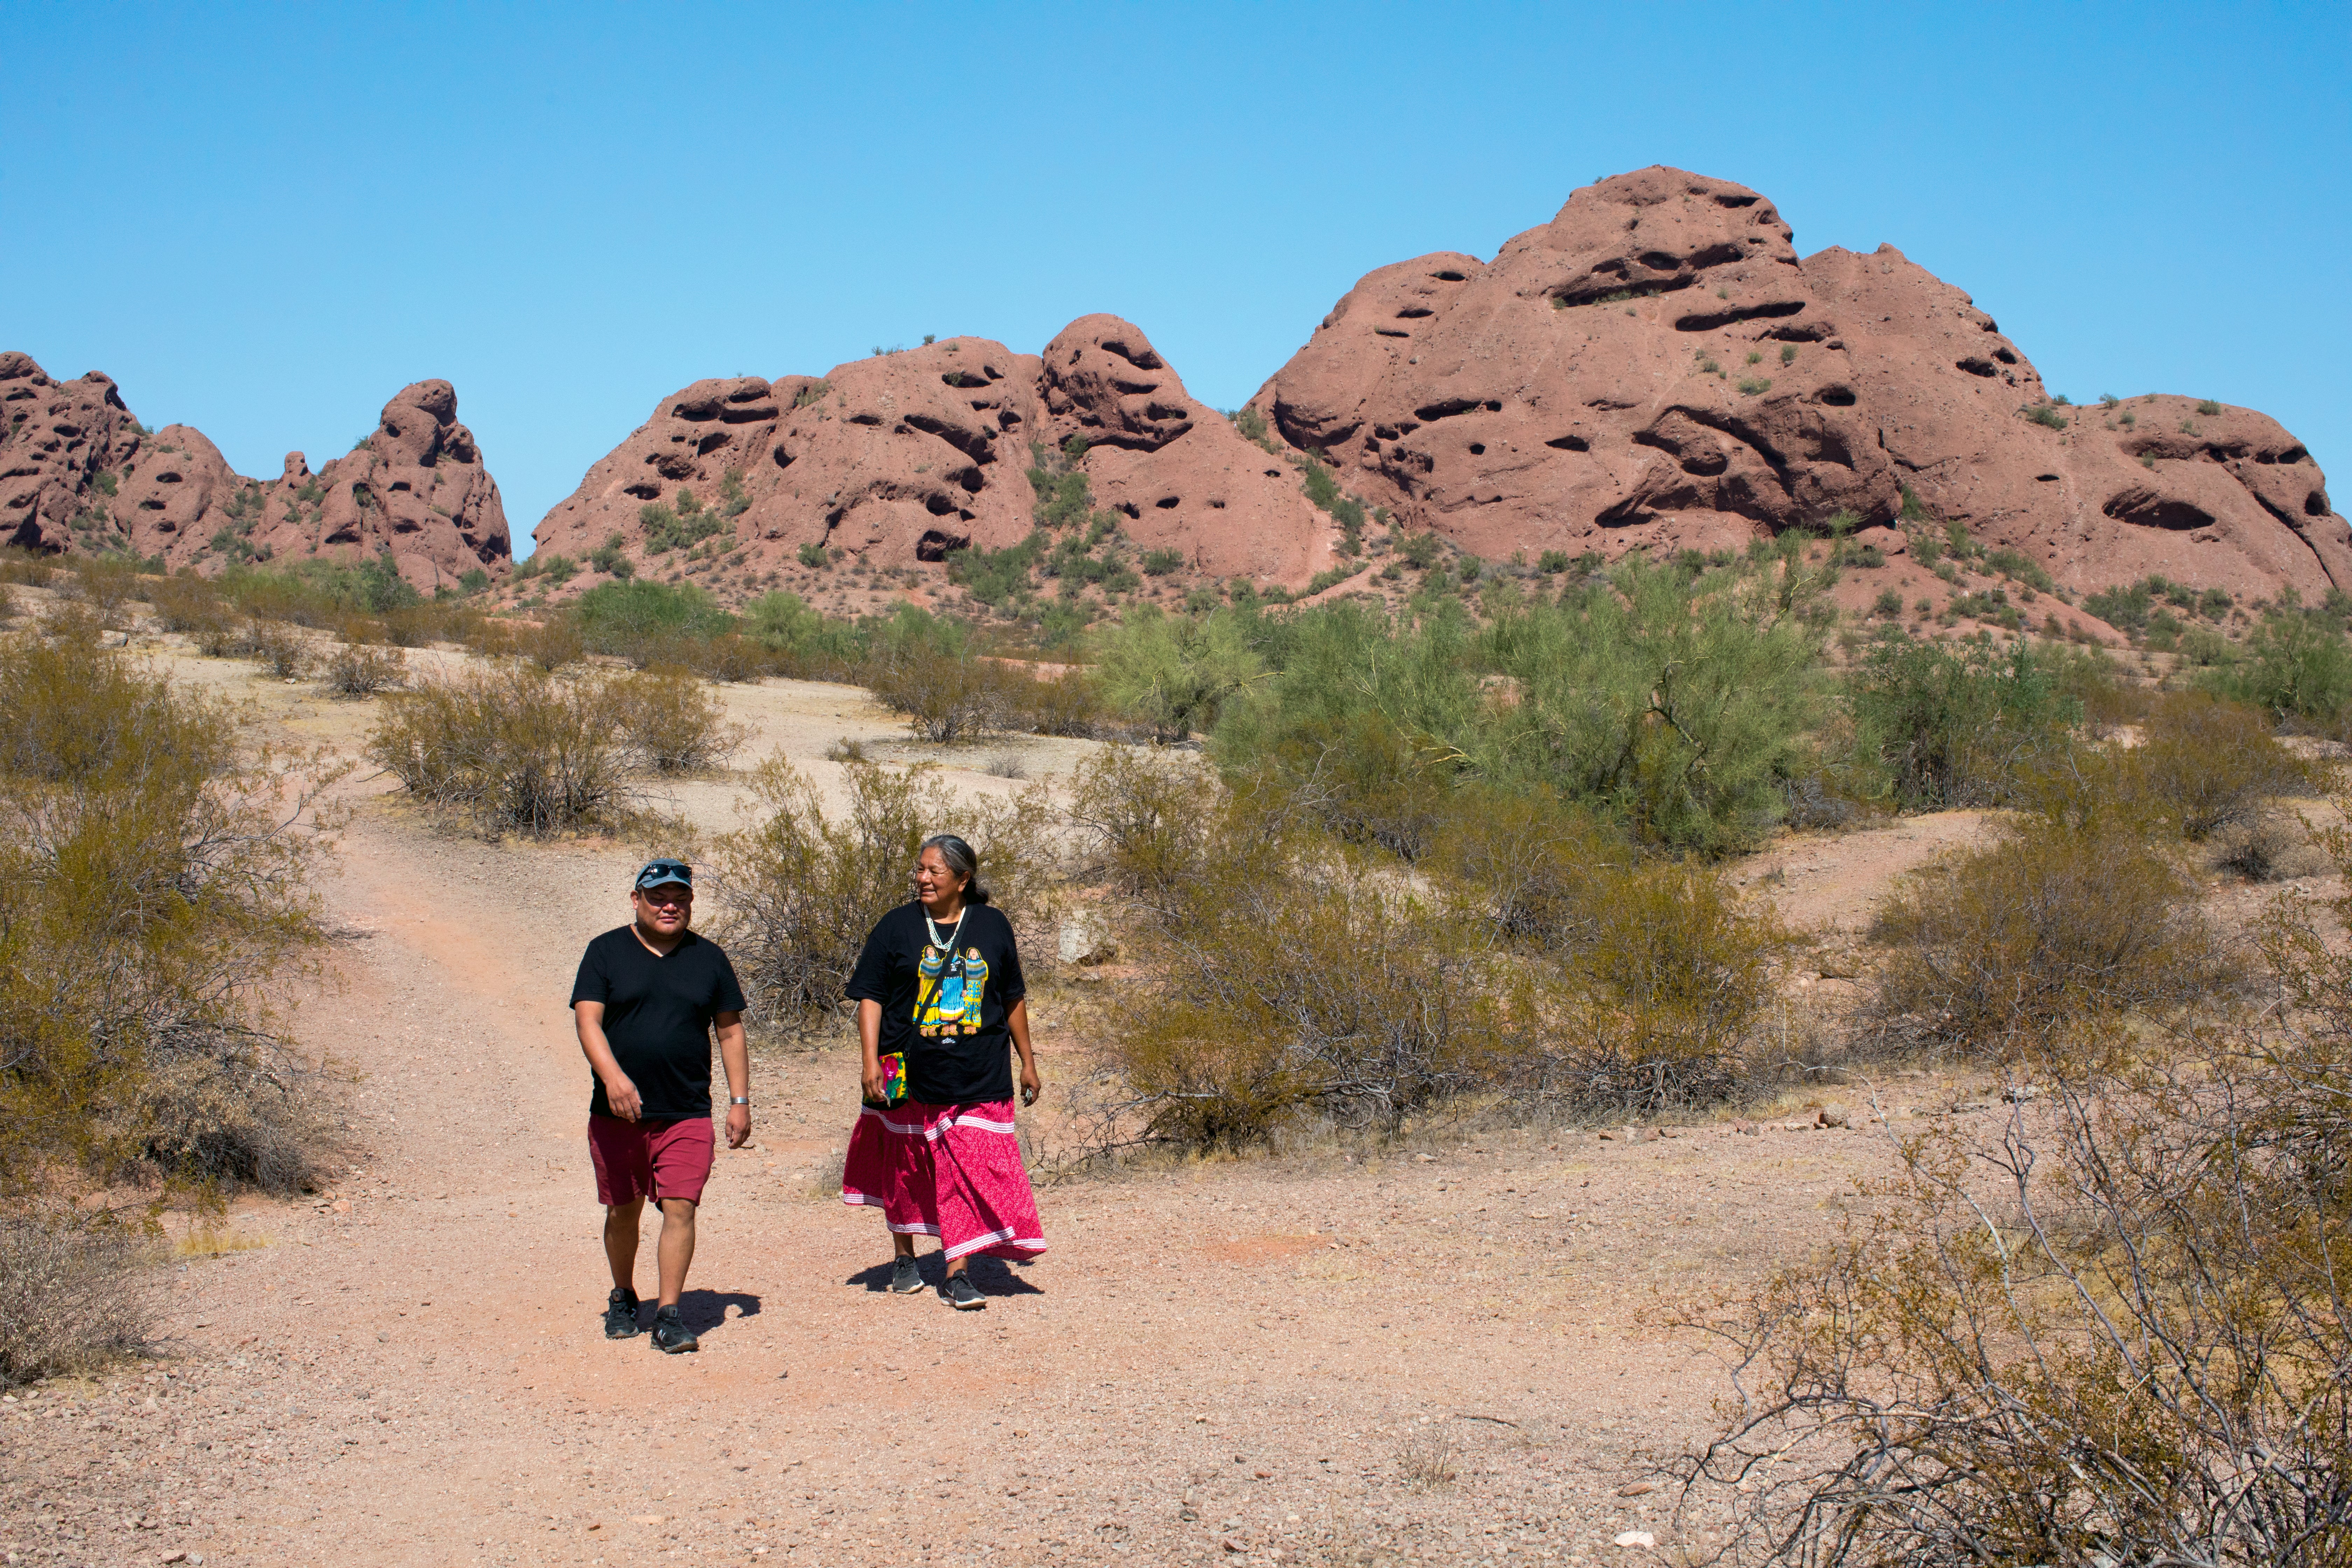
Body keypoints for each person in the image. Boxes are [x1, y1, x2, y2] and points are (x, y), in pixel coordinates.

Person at [840, 834, 1045, 1309]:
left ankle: (957, 1271)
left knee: (965, 1166)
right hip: (903, 1068)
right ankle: (906, 1256)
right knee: (906, 1166)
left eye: (934, 871)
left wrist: (1028, 1060)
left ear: (963, 879)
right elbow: (870, 995)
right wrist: (869, 1060)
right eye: (920, 869)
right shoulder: (896, 927)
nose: (923, 878)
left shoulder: (993, 926)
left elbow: (1011, 996)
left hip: (978, 1069)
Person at [572, 858, 749, 1353]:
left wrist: (740, 1102)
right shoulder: (605, 952)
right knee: (622, 1211)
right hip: (618, 1114)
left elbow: (730, 1031)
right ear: (637, 901)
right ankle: (625, 1295)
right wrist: (614, 1079)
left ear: (691, 903)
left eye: (680, 898)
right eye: (658, 897)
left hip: (686, 1110)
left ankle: (670, 1315)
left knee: (681, 1207)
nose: (670, 906)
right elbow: (588, 1022)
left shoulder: (709, 959)